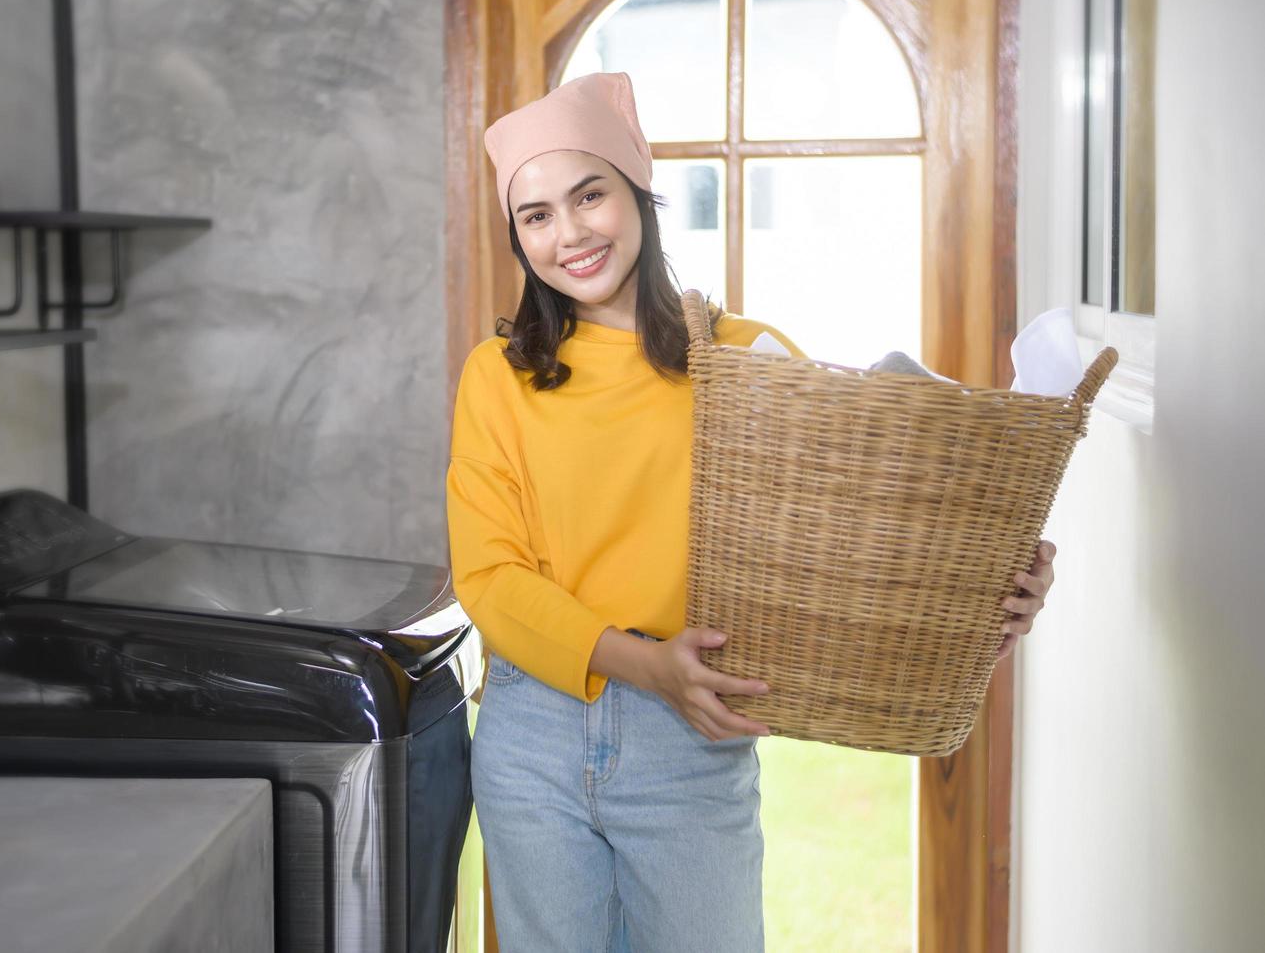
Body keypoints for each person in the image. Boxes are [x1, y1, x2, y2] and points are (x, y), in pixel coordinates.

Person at [444, 71, 1055, 953]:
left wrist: (988, 585)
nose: (569, 233)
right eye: (536, 215)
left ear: (639, 200)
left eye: (589, 195)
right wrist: (639, 666)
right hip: (529, 733)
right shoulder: (497, 378)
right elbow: (491, 579)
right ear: (518, 237)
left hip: (687, 738)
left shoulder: (746, 361)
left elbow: (869, 531)